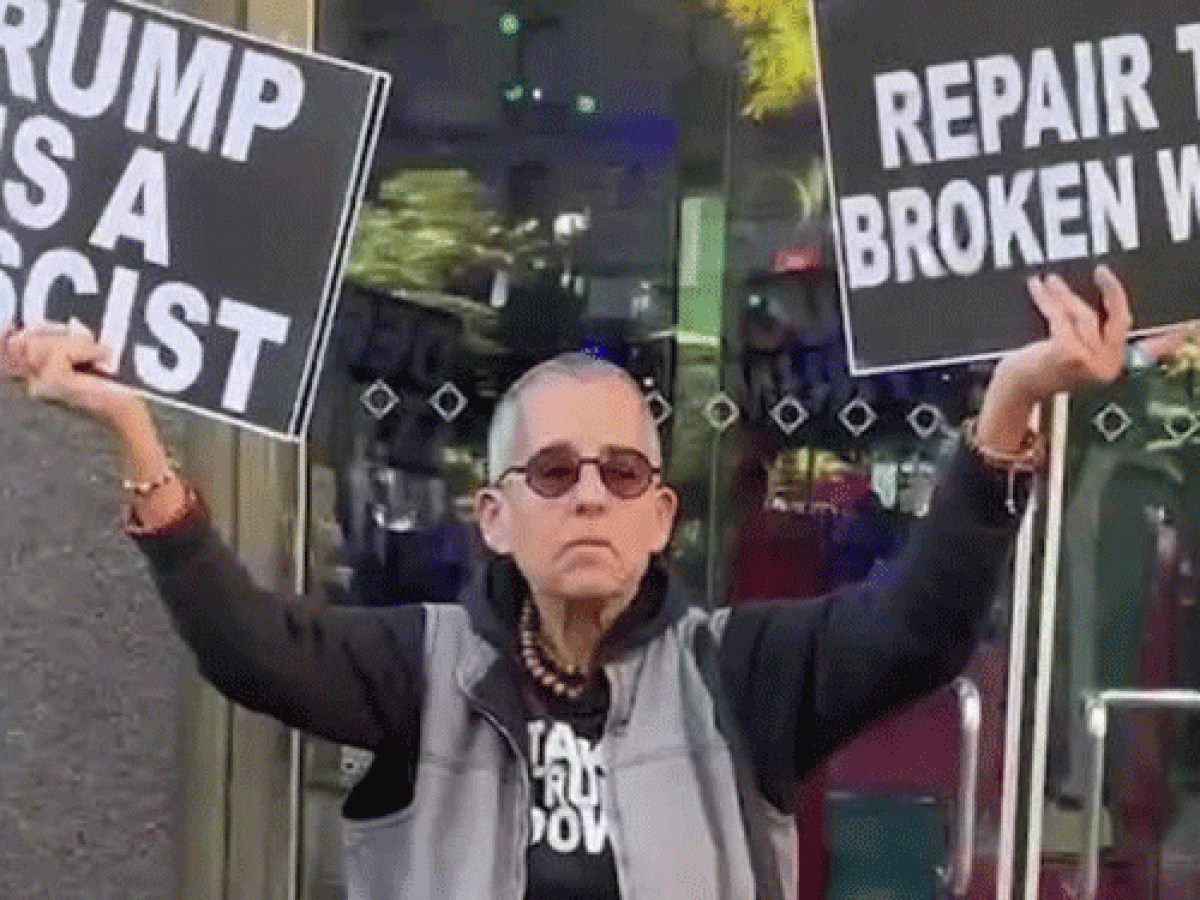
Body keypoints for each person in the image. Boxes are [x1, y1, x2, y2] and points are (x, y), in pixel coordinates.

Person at [0, 267, 1167, 899]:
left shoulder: (736, 674)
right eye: (553, 471)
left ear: (663, 514)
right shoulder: (421, 670)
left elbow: (920, 629)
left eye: (622, 471)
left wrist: (1014, 400)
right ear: (495, 516)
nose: (591, 494)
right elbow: (247, 646)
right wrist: (135, 438)